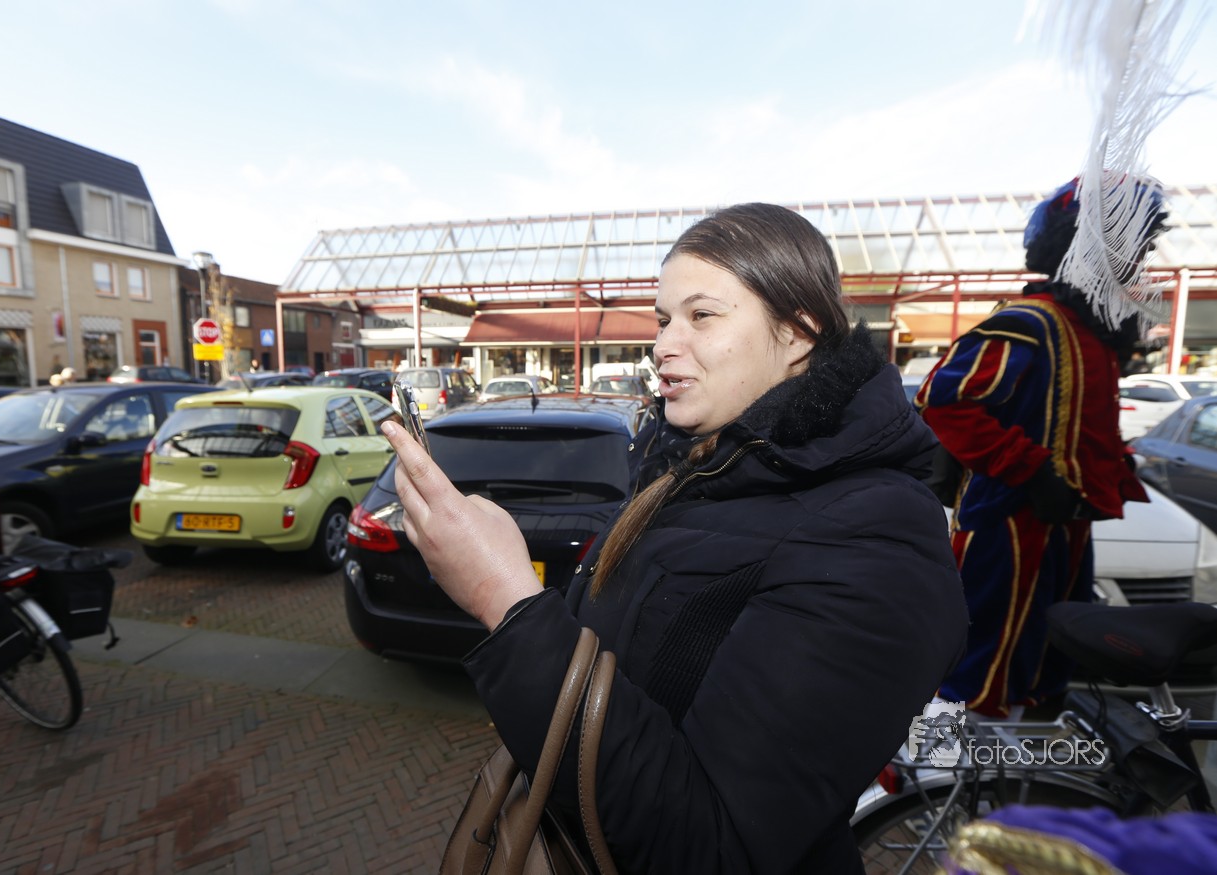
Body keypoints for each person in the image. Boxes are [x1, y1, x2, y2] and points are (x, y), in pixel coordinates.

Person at [381, 202, 968, 873]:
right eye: (663, 319)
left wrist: (503, 597)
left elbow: (710, 848)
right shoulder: (697, 463)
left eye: (702, 315)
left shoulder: (877, 538)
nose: (662, 344)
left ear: (797, 333)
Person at [916, 179, 1159, 720]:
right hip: (1008, 521)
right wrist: (1034, 472)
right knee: (975, 668)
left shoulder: (1092, 332)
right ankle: (936, 770)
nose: (1138, 262)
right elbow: (944, 400)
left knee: (1047, 658)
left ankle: (1019, 764)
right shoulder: (1030, 321)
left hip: (1066, 524)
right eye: (1129, 247)